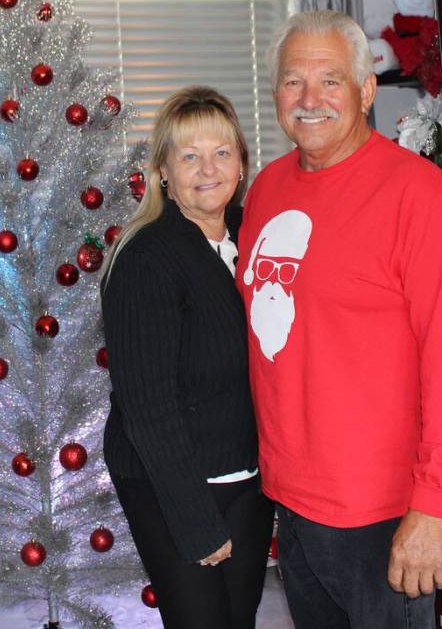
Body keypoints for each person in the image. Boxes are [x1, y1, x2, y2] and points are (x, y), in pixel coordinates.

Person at [237, 10, 442, 629]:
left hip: (382, 511)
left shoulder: (420, 196)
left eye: (330, 80)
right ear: (275, 93)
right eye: (292, 81)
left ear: (366, 89)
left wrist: (433, 507)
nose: (309, 99)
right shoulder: (266, 191)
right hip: (291, 499)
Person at [100, 86, 274, 629]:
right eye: (189, 155)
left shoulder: (257, 238)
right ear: (163, 173)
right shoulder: (147, 257)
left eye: (222, 153)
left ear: (242, 165)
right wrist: (195, 520)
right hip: (172, 483)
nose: (207, 169)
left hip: (247, 477)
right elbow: (148, 407)